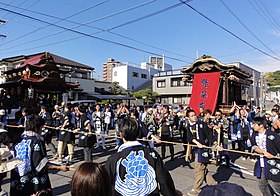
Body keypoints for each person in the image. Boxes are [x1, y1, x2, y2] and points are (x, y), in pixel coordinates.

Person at [105, 117, 178, 196]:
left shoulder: (113, 159)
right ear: (138, 133)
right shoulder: (152, 155)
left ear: (121, 135)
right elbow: (164, 182)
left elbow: (104, 185)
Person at [10, 114, 69, 196]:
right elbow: (40, 164)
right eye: (41, 128)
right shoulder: (37, 142)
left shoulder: (18, 140)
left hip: (18, 180)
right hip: (34, 183)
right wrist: (59, 167)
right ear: (37, 128)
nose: (41, 130)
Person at [186, 109, 219, 196]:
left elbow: (209, 135)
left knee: (199, 170)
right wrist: (197, 143)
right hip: (196, 149)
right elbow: (189, 137)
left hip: (203, 149)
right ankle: (213, 183)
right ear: (188, 117)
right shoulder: (188, 126)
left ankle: (197, 189)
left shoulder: (201, 124)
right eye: (192, 116)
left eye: (195, 115)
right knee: (203, 168)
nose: (194, 117)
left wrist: (215, 144)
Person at [249, 117, 280, 196]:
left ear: (261, 125)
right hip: (261, 164)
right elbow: (254, 146)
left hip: (273, 164)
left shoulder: (272, 135)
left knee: (276, 186)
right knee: (262, 185)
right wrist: (263, 152)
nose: (252, 126)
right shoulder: (254, 135)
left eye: (254, 124)